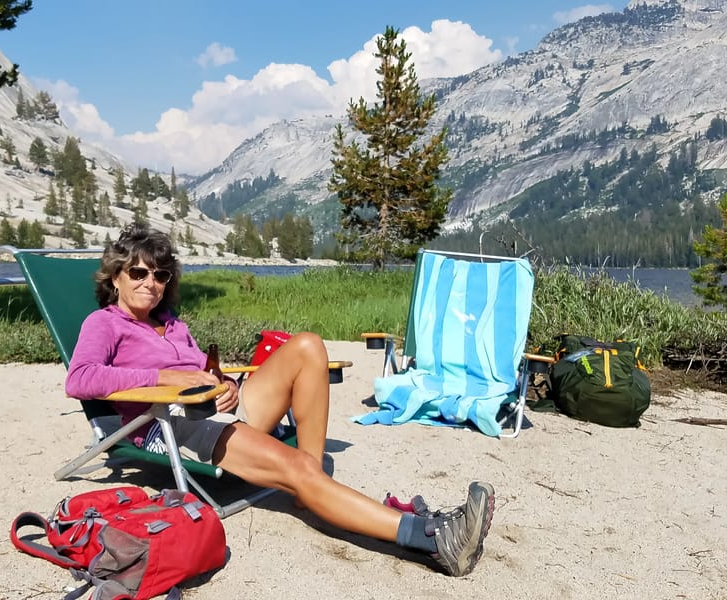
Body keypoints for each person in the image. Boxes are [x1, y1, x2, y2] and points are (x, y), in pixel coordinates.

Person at [66, 224, 496, 577]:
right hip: (169, 423)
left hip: (216, 410)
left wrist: (228, 383)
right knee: (295, 468)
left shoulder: (171, 324)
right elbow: (80, 379)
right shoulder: (104, 323)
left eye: (160, 275)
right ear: (116, 276)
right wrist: (162, 376)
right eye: (139, 273)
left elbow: (205, 371)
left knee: (308, 345)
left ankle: (306, 485)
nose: (151, 283)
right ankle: (430, 537)